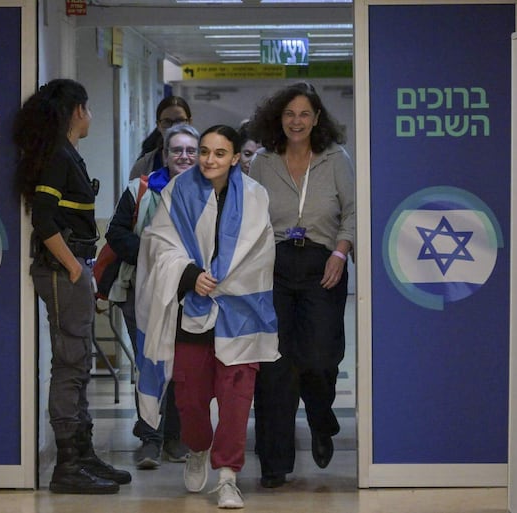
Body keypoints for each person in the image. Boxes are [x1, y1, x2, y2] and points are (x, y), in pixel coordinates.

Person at [134, 125, 280, 509]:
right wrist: (188, 275)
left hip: (241, 313)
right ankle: (198, 448)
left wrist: (224, 280)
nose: (209, 160)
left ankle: (228, 476)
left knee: (236, 400)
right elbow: (157, 244)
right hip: (192, 315)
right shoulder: (177, 191)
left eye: (219, 153)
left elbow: (261, 254)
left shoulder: (255, 197)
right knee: (191, 402)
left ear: (235, 158)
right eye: (204, 151)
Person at [13, 79, 132, 494]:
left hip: (73, 268)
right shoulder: (57, 157)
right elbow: (43, 219)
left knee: (78, 362)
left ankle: (82, 455)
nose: (91, 115)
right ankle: (67, 465)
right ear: (77, 111)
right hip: (63, 271)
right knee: (69, 363)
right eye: (89, 107)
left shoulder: (66, 154)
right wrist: (75, 269)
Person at [248, 82, 354, 489]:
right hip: (273, 266)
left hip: (322, 263)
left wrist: (340, 253)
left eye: (305, 114)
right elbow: (251, 216)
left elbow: (352, 211)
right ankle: (274, 464)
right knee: (275, 366)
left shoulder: (335, 159)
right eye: (290, 114)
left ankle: (321, 419)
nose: (297, 121)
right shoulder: (263, 162)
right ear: (279, 117)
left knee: (320, 357)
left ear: (316, 119)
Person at [105, 124, 201, 469]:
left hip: (188, 295)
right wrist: (152, 253)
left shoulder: (209, 192)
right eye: (177, 150)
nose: (184, 157)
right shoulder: (141, 189)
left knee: (181, 368)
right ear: (165, 154)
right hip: (140, 292)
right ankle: (149, 439)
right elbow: (115, 233)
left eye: (191, 150)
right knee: (150, 364)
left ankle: (175, 438)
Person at [129, 96, 193, 180]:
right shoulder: (143, 167)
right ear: (158, 125)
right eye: (167, 122)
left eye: (180, 121)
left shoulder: (205, 163)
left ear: (190, 122)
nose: (174, 127)